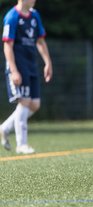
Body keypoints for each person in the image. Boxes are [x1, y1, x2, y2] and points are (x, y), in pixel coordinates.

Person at [0, 0, 53, 154]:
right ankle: (21, 144)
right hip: (18, 66)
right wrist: (14, 70)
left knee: (35, 104)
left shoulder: (35, 15)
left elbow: (40, 41)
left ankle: (4, 128)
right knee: (24, 102)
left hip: (31, 66)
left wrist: (48, 62)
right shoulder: (12, 17)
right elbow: (7, 45)